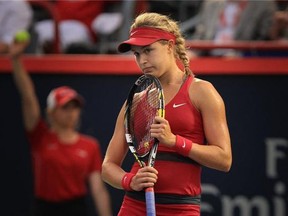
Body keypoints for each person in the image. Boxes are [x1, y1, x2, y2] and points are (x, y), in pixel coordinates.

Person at [101, 12, 232, 215]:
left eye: (148, 51)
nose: (142, 60)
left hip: (182, 208)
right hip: (135, 206)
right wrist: (129, 180)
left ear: (169, 46)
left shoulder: (202, 92)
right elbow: (108, 166)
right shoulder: (135, 101)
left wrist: (174, 141)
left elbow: (224, 160)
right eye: (137, 54)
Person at [9, 39, 112, 216]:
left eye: (74, 107)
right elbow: (28, 97)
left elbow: (97, 188)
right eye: (65, 107)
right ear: (51, 112)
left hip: (76, 209)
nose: (71, 112)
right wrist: (16, 60)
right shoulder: (40, 136)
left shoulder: (90, 145)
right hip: (44, 209)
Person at [189, 0, 277, 57]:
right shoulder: (210, 4)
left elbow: (263, 38)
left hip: (243, 56)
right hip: (208, 54)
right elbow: (200, 35)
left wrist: (241, 54)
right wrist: (193, 53)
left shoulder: (264, 4)